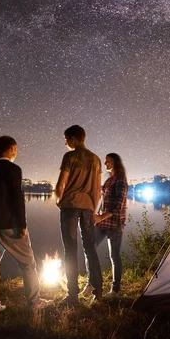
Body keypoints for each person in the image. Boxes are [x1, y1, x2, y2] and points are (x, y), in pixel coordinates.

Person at [0, 136, 49, 315]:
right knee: (28, 263)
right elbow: (17, 198)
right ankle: (34, 302)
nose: (16, 152)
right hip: (9, 225)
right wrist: (22, 224)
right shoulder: (13, 169)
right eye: (16, 149)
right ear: (11, 149)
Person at [55, 125, 103, 304]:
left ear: (74, 139)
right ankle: (98, 290)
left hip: (70, 206)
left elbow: (60, 184)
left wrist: (59, 200)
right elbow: (97, 189)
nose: (66, 143)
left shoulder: (70, 156)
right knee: (90, 248)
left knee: (70, 249)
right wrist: (92, 207)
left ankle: (72, 294)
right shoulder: (96, 159)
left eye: (66, 139)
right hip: (88, 207)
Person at [82, 153, 128, 299]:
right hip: (102, 222)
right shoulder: (109, 180)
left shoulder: (121, 181)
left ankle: (115, 291)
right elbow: (104, 202)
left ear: (115, 162)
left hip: (114, 224)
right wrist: (96, 215)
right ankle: (91, 284)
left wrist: (101, 216)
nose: (105, 163)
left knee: (114, 256)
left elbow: (118, 206)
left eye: (108, 161)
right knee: (89, 248)